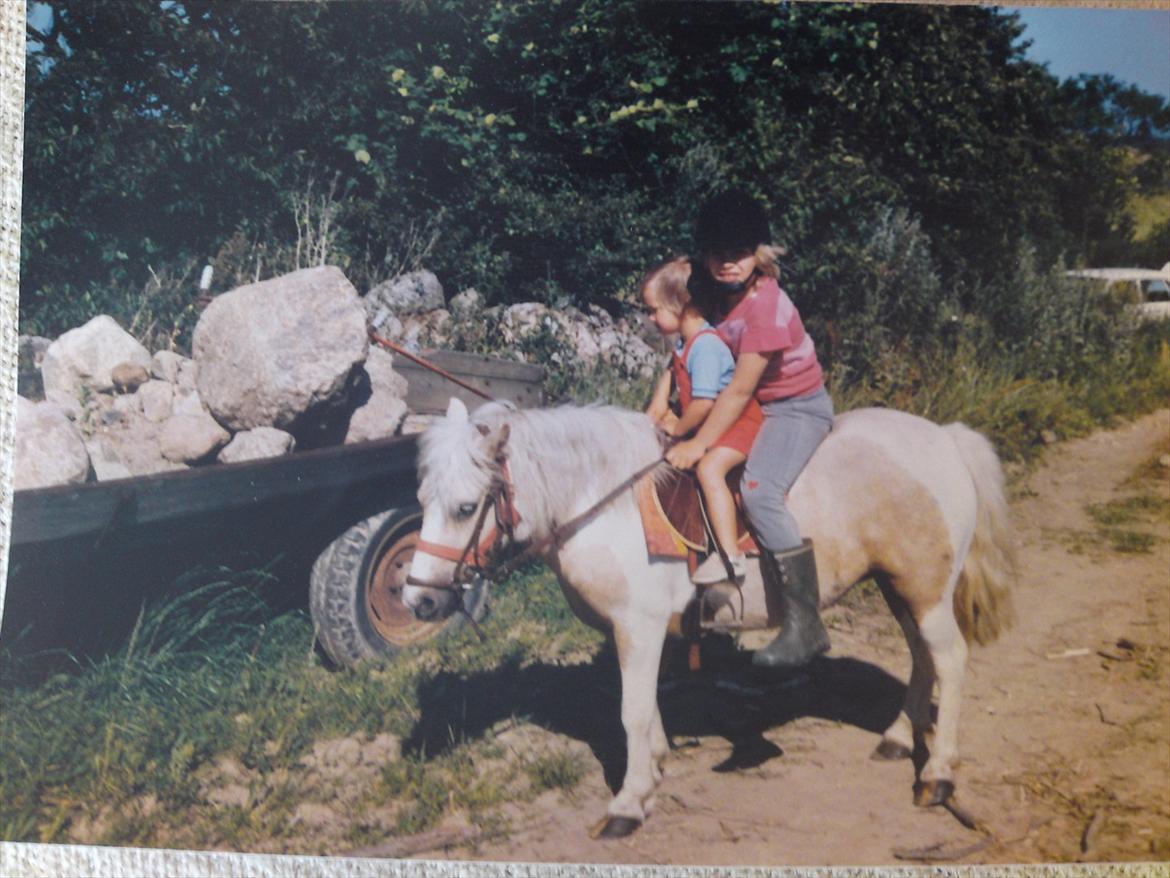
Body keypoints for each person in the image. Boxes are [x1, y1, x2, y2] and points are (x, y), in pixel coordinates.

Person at [665, 189, 835, 670]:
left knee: (759, 492)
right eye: (718, 254)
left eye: (739, 253)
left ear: (758, 254)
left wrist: (699, 442)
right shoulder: (720, 296)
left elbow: (739, 391)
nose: (728, 263)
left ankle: (806, 624)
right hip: (758, 405)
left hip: (795, 408)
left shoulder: (766, 307)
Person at [642, 256, 763, 584]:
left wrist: (678, 430)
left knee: (710, 470)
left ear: (681, 304)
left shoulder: (706, 347)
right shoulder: (684, 346)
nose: (651, 318)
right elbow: (660, 399)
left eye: (655, 310)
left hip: (737, 425)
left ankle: (730, 558)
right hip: (713, 426)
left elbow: (704, 404)